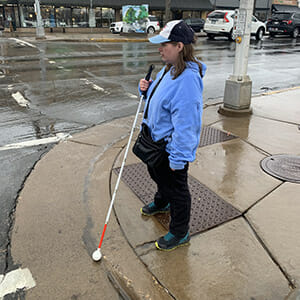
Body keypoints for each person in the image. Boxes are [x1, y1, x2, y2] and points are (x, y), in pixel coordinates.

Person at [138, 20, 207, 251]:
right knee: (158, 176)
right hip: (155, 143)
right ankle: (162, 200)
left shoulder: (187, 81)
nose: (159, 49)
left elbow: (188, 125)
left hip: (170, 151)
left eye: (163, 44)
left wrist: (179, 158)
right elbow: (157, 99)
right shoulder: (170, 69)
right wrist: (145, 90)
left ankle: (180, 231)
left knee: (177, 191)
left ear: (179, 46)